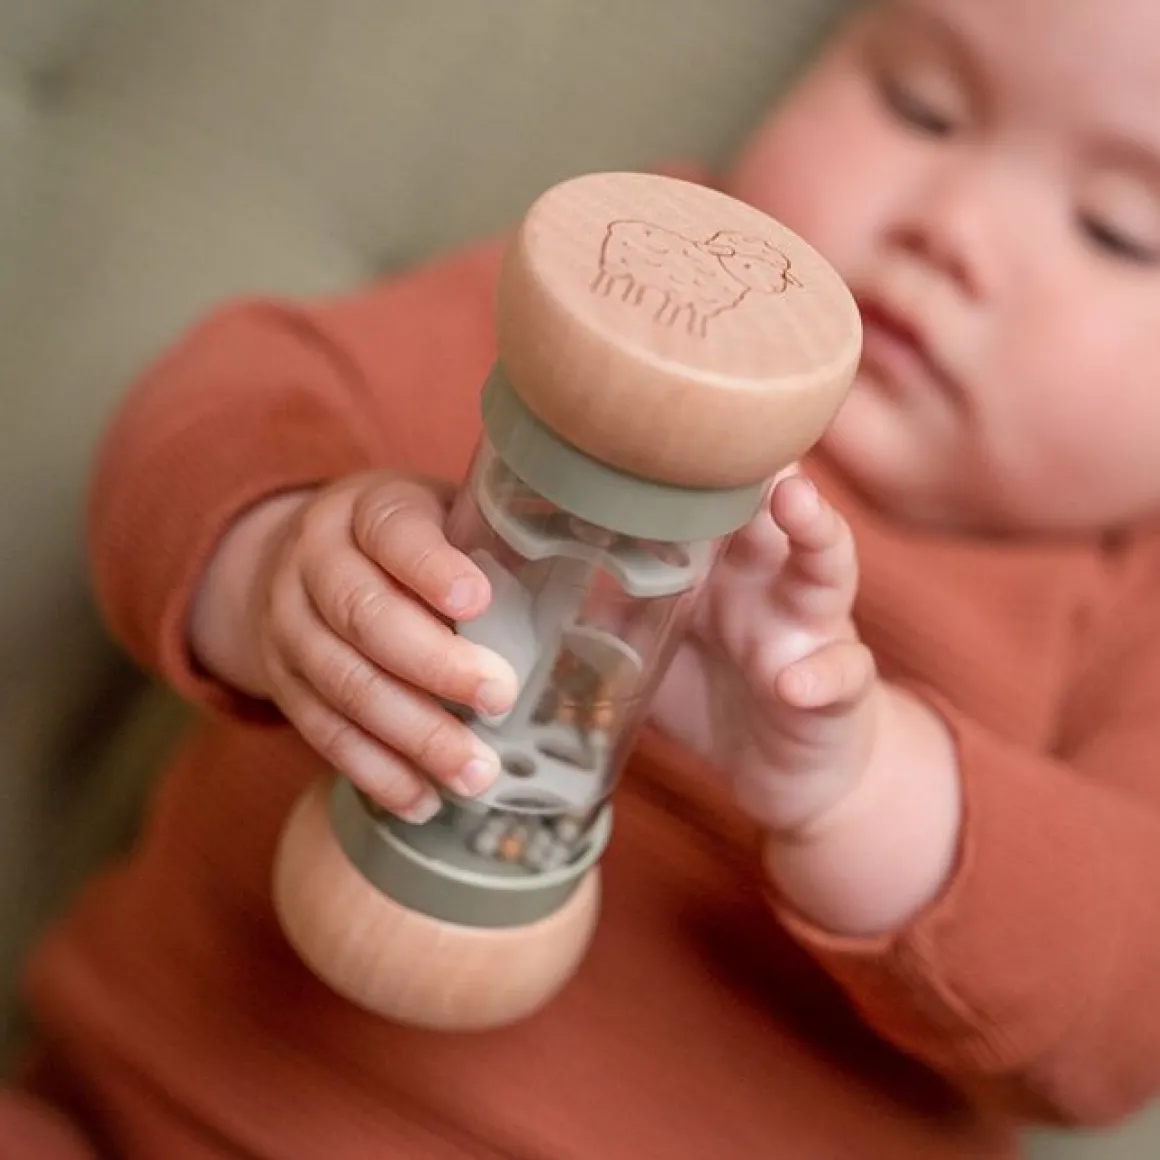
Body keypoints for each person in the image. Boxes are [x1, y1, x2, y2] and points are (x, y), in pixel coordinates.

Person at [6, 0, 1160, 1155]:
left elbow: (1125, 1010)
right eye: (920, 105)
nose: (950, 226)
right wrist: (274, 565)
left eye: (1116, 230)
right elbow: (227, 395)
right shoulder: (628, 290)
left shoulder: (1124, 602)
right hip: (136, 1112)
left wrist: (858, 783)